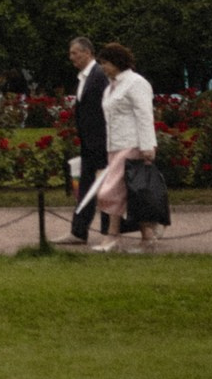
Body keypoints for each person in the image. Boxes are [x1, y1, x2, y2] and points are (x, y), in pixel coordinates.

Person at [90, 42, 158, 251]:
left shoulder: (136, 83)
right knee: (128, 193)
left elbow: (144, 115)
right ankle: (145, 237)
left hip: (132, 144)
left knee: (109, 192)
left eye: (106, 63)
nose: (103, 67)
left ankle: (113, 236)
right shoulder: (111, 87)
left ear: (117, 62)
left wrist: (147, 146)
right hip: (115, 145)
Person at [66, 36, 109, 244]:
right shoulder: (84, 77)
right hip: (89, 144)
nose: (71, 57)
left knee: (105, 189)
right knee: (86, 188)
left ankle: (110, 233)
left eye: (74, 53)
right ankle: (78, 232)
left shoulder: (99, 75)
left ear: (87, 53)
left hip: (101, 143)